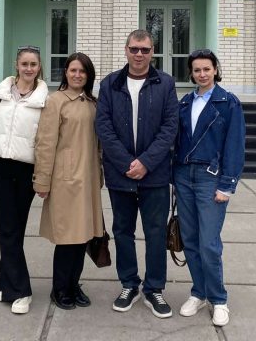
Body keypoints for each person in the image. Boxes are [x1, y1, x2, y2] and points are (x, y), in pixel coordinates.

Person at [95, 29, 178, 318]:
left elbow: (170, 127)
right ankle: (129, 284)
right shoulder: (110, 84)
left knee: (155, 233)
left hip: (155, 175)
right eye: (134, 49)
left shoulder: (165, 83)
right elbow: (103, 127)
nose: (139, 54)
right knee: (123, 232)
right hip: (121, 175)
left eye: (144, 49)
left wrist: (145, 162)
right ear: (126, 50)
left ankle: (154, 288)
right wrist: (126, 163)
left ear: (152, 51)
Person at [0, 46, 49, 315]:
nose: (29, 68)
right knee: (8, 228)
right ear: (17, 65)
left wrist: (43, 176)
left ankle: (5, 282)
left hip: (26, 171)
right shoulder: (0, 96)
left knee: (15, 228)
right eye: (25, 64)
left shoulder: (44, 99)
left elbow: (46, 141)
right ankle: (20, 290)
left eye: (33, 64)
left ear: (39, 67)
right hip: (1, 169)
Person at [173, 49, 245, 327]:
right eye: (197, 70)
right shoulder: (185, 102)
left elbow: (235, 145)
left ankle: (218, 298)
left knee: (209, 244)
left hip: (210, 178)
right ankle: (199, 293)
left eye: (207, 69)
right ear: (191, 74)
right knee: (190, 240)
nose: (202, 74)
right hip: (183, 176)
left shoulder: (228, 102)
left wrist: (227, 185)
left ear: (215, 70)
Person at [33, 52, 104, 310]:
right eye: (73, 70)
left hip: (88, 180)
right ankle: (60, 288)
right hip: (65, 180)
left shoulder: (93, 103)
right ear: (65, 72)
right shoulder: (56, 101)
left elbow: (98, 145)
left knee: (83, 237)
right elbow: (45, 143)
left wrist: (100, 174)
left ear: (88, 75)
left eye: (82, 71)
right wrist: (42, 181)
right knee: (66, 238)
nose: (77, 75)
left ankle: (74, 285)